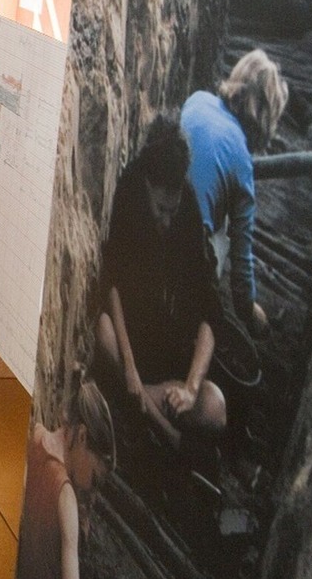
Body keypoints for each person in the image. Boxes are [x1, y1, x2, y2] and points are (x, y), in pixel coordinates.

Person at [94, 115, 227, 450]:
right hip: (133, 349)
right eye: (160, 210)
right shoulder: (130, 195)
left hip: (170, 357)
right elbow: (111, 285)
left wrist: (191, 389)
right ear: (148, 188)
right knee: (103, 330)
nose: (167, 221)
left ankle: (146, 407)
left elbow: (209, 310)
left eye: (173, 210)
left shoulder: (188, 211)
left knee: (215, 408)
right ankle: (158, 422)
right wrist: (130, 370)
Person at [181, 49, 289, 337]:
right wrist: (252, 314)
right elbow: (241, 271)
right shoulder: (242, 163)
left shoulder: (198, 100)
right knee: (223, 233)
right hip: (182, 253)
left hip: (152, 218)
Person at [14, 377, 116, 579]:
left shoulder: (35, 439)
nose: (93, 490)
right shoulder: (65, 497)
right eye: (95, 478)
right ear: (82, 436)